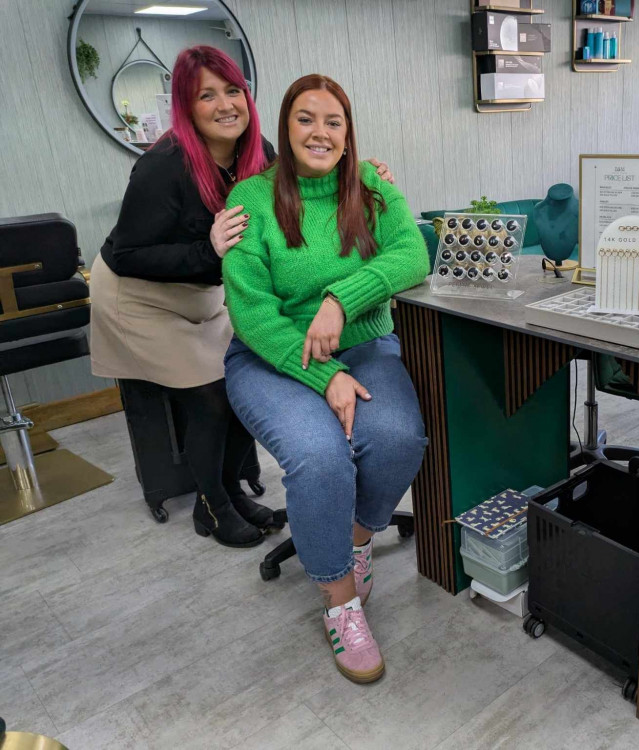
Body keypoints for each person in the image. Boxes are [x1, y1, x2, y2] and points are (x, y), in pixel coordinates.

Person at [90, 47, 395, 549]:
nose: (225, 104)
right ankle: (210, 506)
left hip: (204, 288)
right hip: (140, 295)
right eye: (206, 95)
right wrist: (205, 248)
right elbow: (130, 254)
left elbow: (304, 181)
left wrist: (364, 176)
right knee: (209, 394)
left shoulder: (258, 152)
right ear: (186, 106)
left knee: (233, 387)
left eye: (233, 90)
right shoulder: (162, 166)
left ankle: (229, 489)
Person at [222, 74, 429, 684]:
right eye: (305, 119)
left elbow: (412, 253)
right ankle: (340, 605)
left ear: (348, 133)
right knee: (319, 457)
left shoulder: (368, 184)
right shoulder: (252, 200)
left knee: (397, 439)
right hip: (271, 358)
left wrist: (342, 298)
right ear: (284, 129)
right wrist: (325, 374)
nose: (319, 131)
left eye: (333, 121)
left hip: (364, 343)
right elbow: (253, 313)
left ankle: (357, 540)